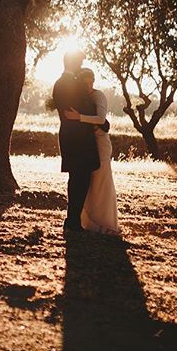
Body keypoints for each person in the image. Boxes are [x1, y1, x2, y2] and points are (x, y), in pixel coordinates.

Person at [53, 51, 109, 234]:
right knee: (80, 181)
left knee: (77, 180)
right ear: (74, 63)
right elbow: (86, 108)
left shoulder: (60, 83)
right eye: (80, 62)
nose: (80, 66)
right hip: (79, 140)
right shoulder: (71, 84)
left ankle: (73, 220)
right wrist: (102, 121)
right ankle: (73, 222)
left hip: (71, 137)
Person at [64, 68, 120, 235]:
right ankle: (88, 220)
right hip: (87, 144)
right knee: (90, 183)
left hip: (100, 142)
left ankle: (106, 222)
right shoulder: (80, 97)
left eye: (91, 82)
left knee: (102, 180)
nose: (89, 86)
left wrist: (79, 117)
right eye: (85, 82)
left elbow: (101, 119)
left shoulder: (98, 96)